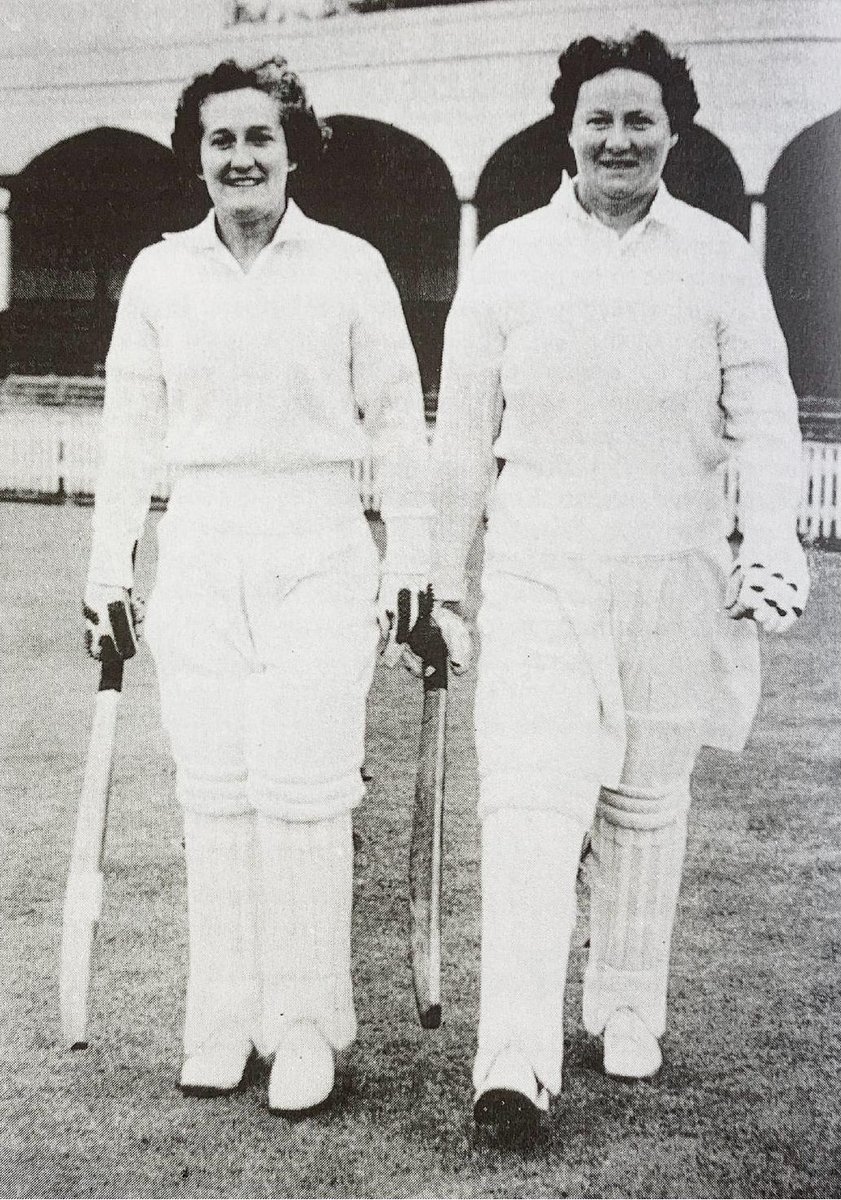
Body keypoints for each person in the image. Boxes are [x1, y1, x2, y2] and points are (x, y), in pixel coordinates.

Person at [429, 30, 809, 1138]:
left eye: (640, 118)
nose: (617, 137)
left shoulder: (715, 256)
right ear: (567, 128)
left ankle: (627, 1003)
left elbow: (766, 411)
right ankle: (512, 1056)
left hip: (670, 570)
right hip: (542, 565)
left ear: (673, 133)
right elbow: (461, 439)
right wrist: (436, 585)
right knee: (530, 801)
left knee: (644, 805)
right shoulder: (506, 258)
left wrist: (770, 544)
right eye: (598, 117)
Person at [82, 57, 430, 1116]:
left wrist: (409, 559)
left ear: (292, 148)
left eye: (260, 138)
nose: (241, 158)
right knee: (216, 795)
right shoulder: (158, 274)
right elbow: (130, 431)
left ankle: (309, 1025)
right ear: (198, 155)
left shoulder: (350, 266)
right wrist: (109, 567)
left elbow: (398, 422)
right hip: (202, 541)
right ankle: (223, 1021)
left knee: (304, 792)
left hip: (319, 541)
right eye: (221, 140)